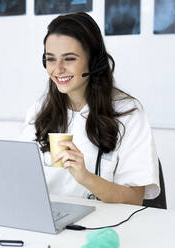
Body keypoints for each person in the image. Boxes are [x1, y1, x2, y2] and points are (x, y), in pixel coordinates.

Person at [20, 12, 160, 206]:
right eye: (51, 59)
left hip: (105, 228)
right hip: (51, 223)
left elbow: (134, 199)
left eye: (69, 59)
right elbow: (21, 178)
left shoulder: (128, 112)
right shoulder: (39, 110)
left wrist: (85, 177)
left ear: (93, 61)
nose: (58, 69)